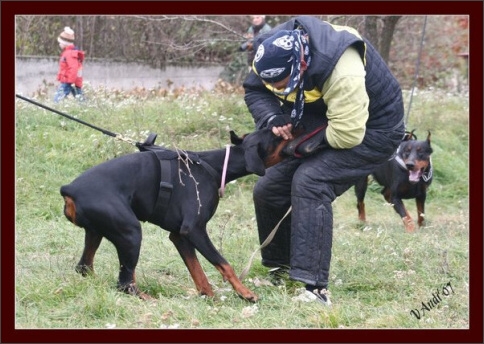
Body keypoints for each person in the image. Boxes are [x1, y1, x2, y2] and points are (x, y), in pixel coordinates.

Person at [243, 15, 405, 306]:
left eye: (284, 85)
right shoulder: (269, 53)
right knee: (268, 189)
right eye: (275, 87)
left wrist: (301, 146)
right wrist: (273, 117)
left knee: (311, 180)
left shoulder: (343, 68)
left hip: (372, 129)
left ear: (300, 65)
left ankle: (314, 289)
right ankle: (282, 267)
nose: (280, 92)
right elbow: (255, 89)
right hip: (321, 118)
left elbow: (348, 134)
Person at [54, 26, 85, 103]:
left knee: (58, 99)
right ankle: (86, 109)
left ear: (65, 43)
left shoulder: (70, 54)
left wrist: (70, 81)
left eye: (60, 43)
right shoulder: (68, 53)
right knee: (79, 97)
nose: (59, 44)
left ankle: (55, 109)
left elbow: (73, 68)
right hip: (71, 80)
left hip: (69, 81)